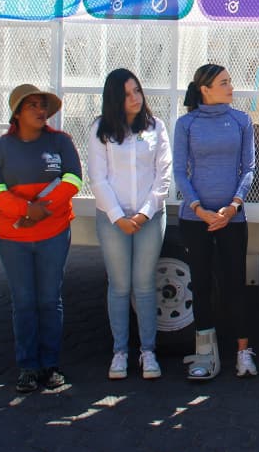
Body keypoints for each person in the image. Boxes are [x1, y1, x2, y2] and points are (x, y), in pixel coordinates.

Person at [0, 84, 82, 393]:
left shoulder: (60, 142)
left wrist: (43, 210)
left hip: (53, 232)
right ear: (17, 113)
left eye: (43, 106)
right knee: (24, 301)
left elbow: (74, 179)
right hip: (14, 235)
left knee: (49, 300)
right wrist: (24, 210)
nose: (41, 111)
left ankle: (51, 366)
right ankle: (27, 366)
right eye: (33, 106)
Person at [174, 64, 256, 380]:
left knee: (236, 283)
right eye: (224, 82)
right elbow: (181, 171)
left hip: (232, 219)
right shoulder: (186, 124)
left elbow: (248, 169)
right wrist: (199, 209)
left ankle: (243, 352)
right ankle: (206, 354)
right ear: (205, 89)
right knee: (203, 284)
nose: (231, 86)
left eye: (230, 81)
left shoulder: (241, 120)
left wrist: (232, 207)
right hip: (196, 220)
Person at [88, 69, 171, 380]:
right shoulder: (101, 129)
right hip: (113, 219)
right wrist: (118, 216)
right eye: (126, 94)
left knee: (145, 285)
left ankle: (148, 352)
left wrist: (144, 213)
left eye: (136, 90)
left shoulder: (156, 127)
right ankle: (120, 352)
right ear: (114, 99)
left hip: (149, 217)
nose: (134, 98)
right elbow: (98, 177)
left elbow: (163, 175)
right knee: (120, 286)